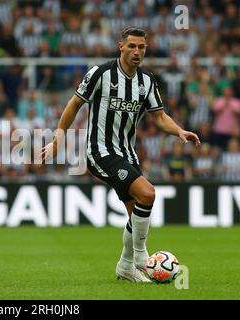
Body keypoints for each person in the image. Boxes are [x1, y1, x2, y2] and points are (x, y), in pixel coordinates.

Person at [41, 27, 200, 282]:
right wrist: (59, 137)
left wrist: (179, 131)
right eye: (132, 46)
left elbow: (159, 117)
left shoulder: (147, 81)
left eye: (142, 47)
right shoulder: (100, 74)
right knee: (148, 193)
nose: (137, 52)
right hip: (100, 152)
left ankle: (125, 266)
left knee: (136, 215)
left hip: (127, 154)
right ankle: (140, 257)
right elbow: (74, 104)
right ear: (121, 47)